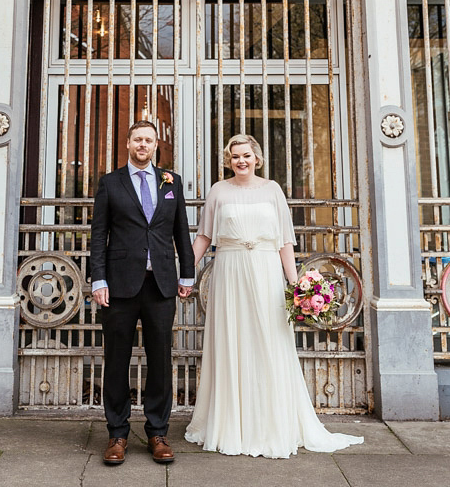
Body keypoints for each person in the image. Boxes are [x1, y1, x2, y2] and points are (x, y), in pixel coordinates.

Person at [185, 133, 364, 458]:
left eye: (246, 155)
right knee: (232, 342)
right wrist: (184, 270)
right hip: (230, 272)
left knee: (269, 342)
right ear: (229, 160)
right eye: (235, 156)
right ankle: (232, 424)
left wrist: (298, 285)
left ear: (257, 158)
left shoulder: (272, 190)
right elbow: (205, 236)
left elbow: (284, 241)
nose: (241, 160)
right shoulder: (218, 191)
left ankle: (272, 423)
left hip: (267, 273)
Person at [90, 120, 196, 466]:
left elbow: (182, 230)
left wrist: (187, 274)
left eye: (148, 140)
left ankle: (157, 433)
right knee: (117, 360)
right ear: (128, 143)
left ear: (155, 145)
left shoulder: (171, 182)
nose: (142, 145)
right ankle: (117, 433)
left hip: (161, 283)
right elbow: (99, 235)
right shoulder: (110, 183)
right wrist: (98, 280)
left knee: (161, 361)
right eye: (137, 139)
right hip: (119, 285)